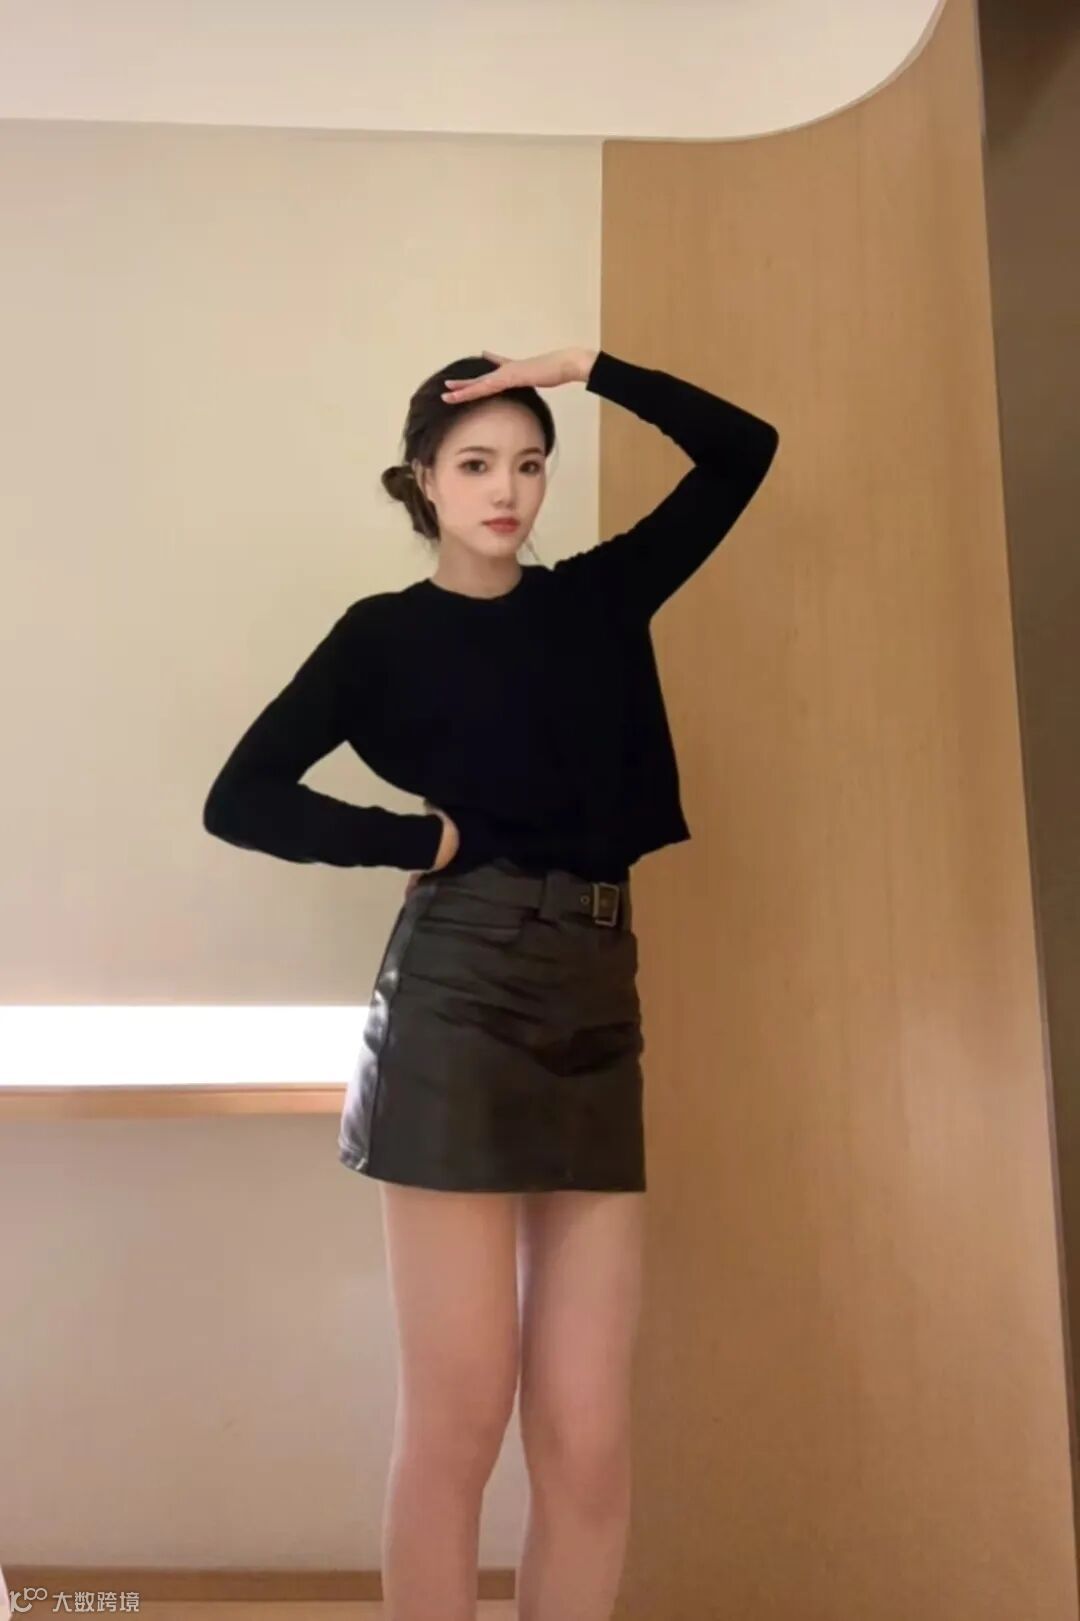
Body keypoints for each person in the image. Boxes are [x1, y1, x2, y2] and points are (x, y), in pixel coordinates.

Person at [202, 343, 779, 1620]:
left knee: (588, 1427)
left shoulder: (598, 598)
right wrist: (416, 838)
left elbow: (744, 451)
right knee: (461, 1416)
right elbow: (240, 796)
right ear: (424, 480)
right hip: (459, 987)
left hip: (599, 990)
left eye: (528, 463)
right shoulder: (383, 636)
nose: (505, 489)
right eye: (474, 465)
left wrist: (587, 367)